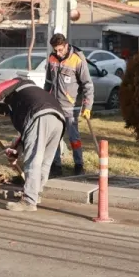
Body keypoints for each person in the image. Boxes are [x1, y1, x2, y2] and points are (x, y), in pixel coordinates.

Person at [0, 77, 65, 212]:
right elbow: (27, 135)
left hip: (40, 116)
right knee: (45, 162)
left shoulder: (19, 83)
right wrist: (15, 152)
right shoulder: (30, 97)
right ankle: (35, 193)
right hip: (59, 120)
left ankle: (29, 200)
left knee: (33, 160)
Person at [43, 33, 94, 177]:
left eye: (60, 49)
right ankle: (56, 165)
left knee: (74, 138)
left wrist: (87, 107)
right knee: (54, 137)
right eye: (55, 50)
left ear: (66, 45)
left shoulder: (77, 60)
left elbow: (87, 85)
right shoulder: (52, 58)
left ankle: (79, 165)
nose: (58, 53)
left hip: (71, 108)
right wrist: (45, 99)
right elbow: (48, 82)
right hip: (54, 105)